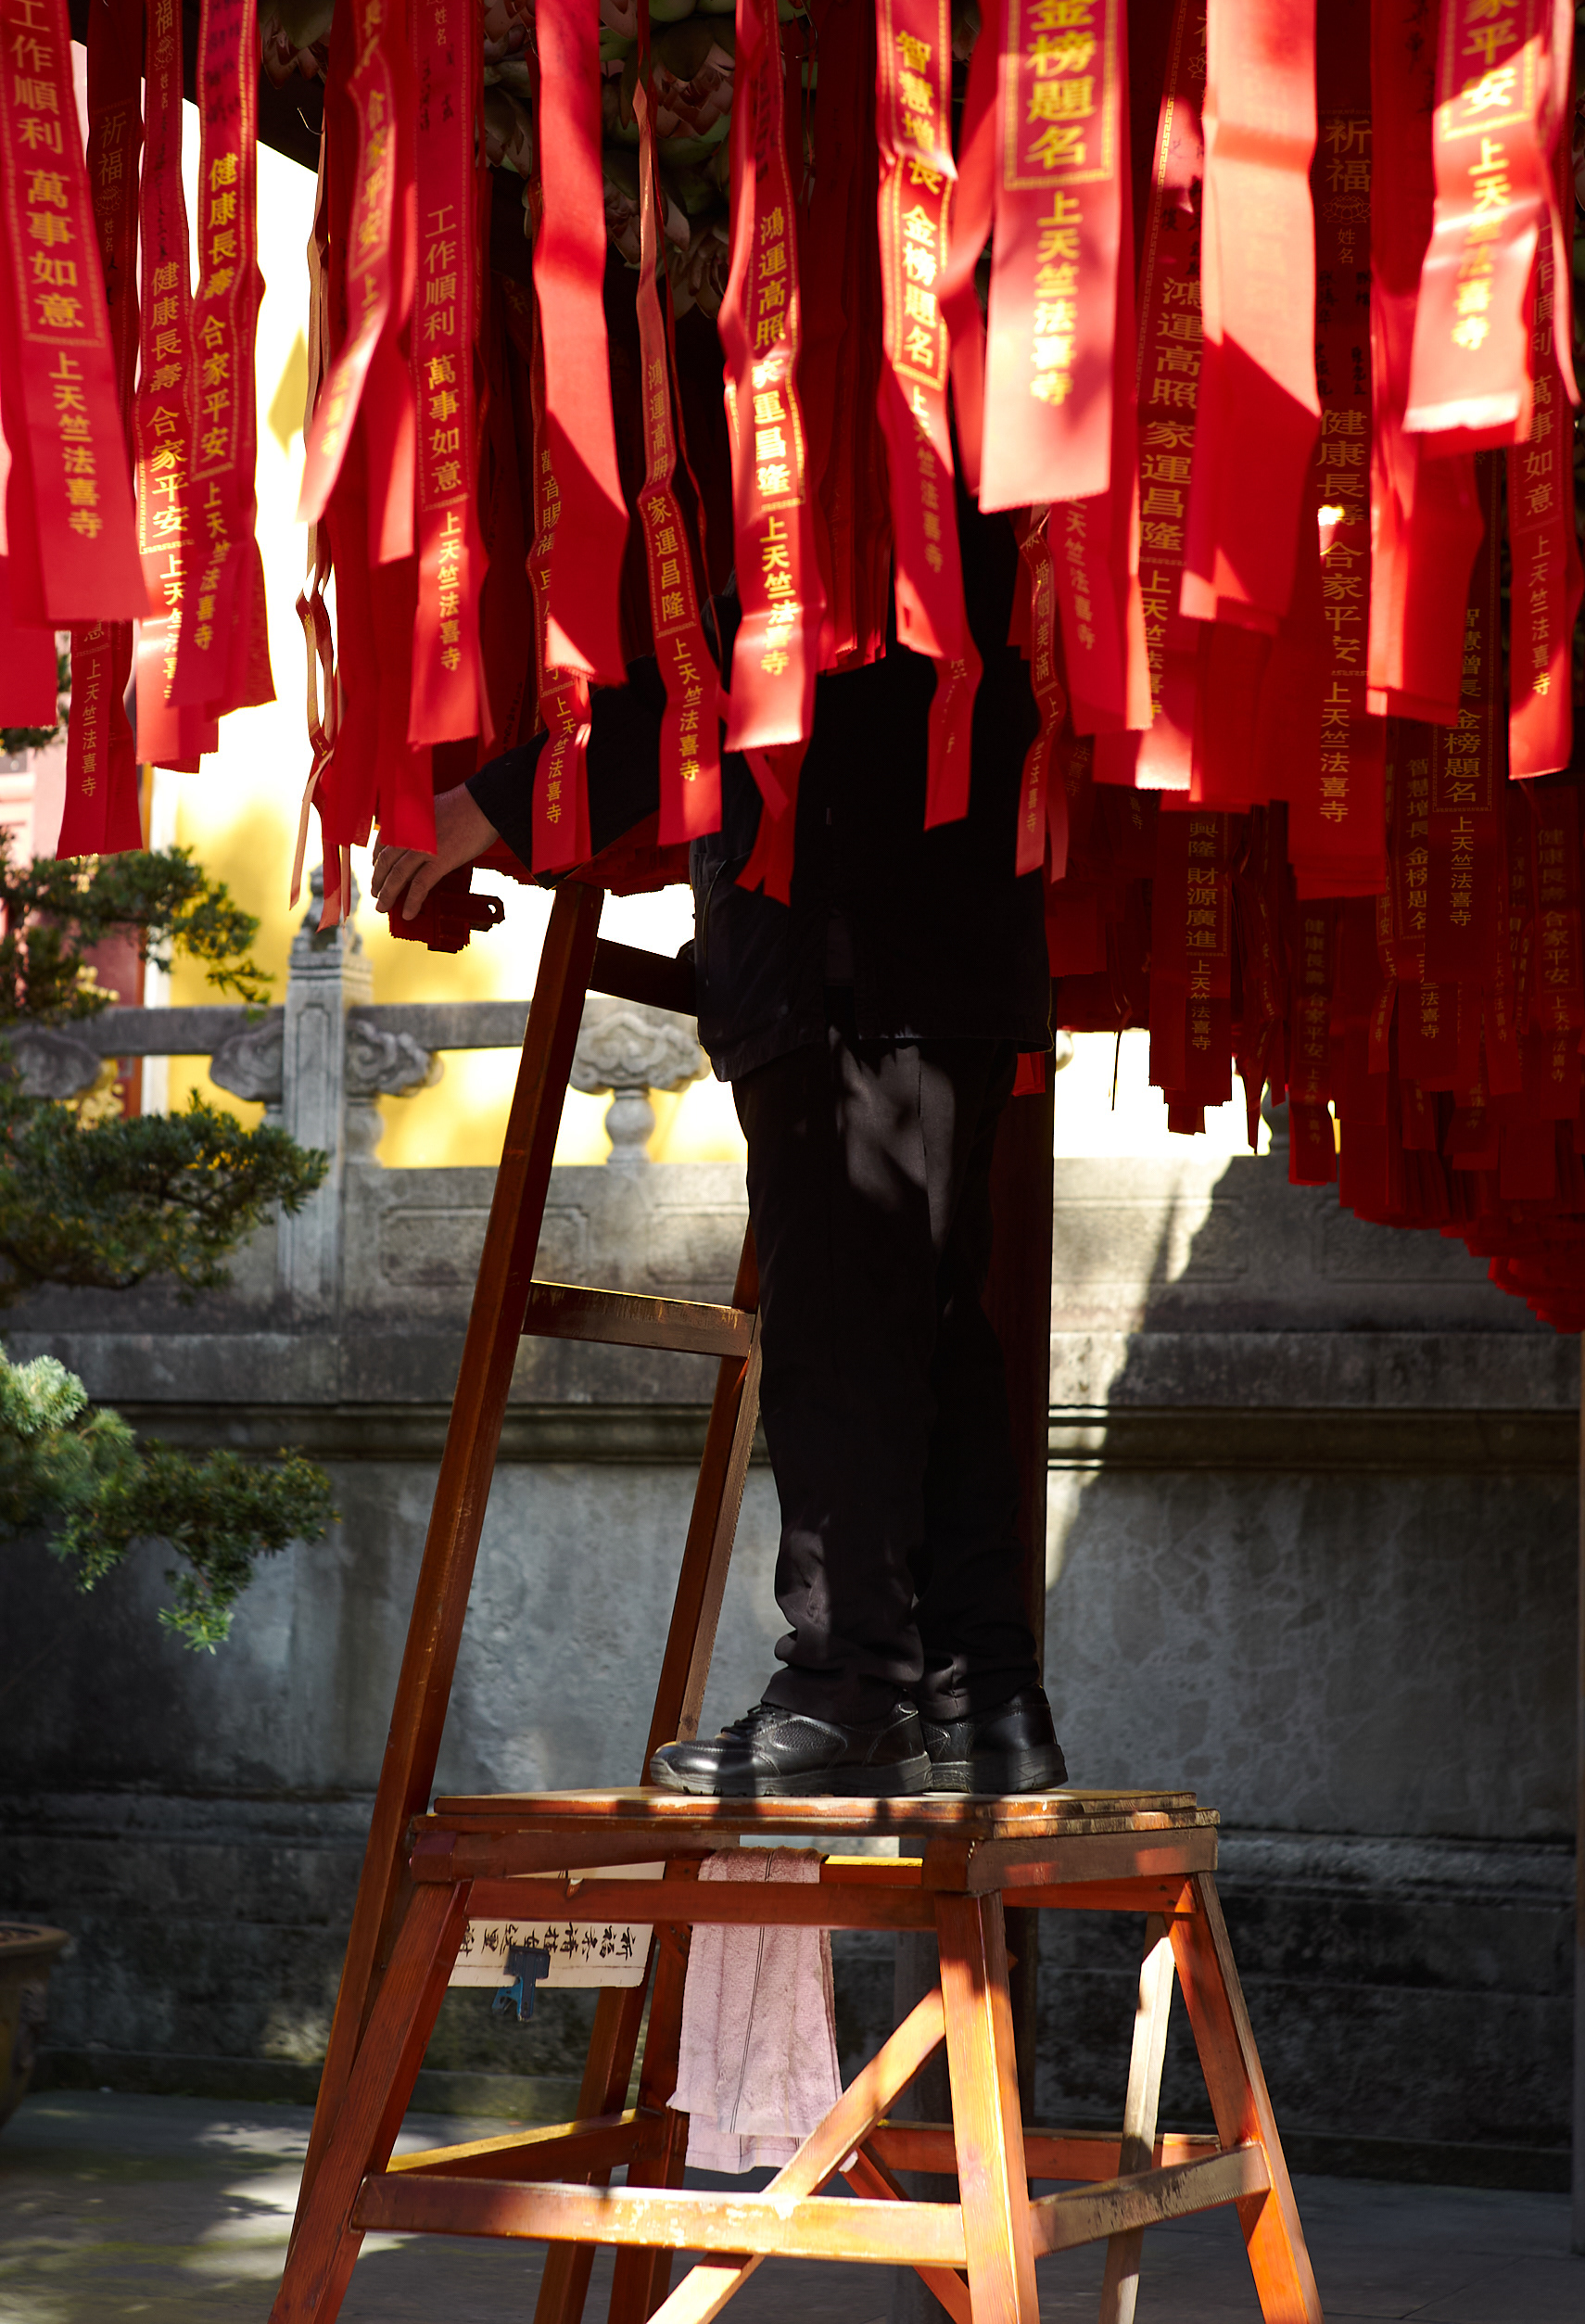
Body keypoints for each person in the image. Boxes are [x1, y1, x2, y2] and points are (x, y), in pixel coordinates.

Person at [372, 481, 1067, 1800]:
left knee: (849, 1328)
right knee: (925, 1326)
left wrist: (502, 801)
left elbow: (758, 642)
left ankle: (852, 1679)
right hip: (915, 932)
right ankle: (982, 1696)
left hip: (861, 936)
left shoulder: (838, 383)